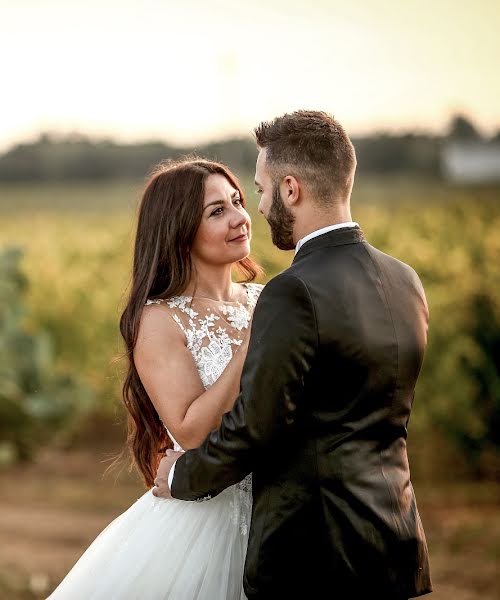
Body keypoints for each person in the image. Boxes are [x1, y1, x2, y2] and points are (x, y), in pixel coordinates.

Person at [153, 110, 432, 599]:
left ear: (290, 189)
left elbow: (257, 426)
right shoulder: (404, 280)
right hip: (393, 544)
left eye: (257, 191)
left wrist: (180, 475)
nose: (256, 209)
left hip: (313, 554)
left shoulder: (291, 292)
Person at [47, 156, 263, 599]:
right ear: (180, 230)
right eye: (216, 211)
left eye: (237, 201)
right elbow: (190, 429)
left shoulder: (266, 299)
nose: (240, 218)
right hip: (206, 520)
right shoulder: (159, 320)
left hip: (279, 511)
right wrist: (249, 348)